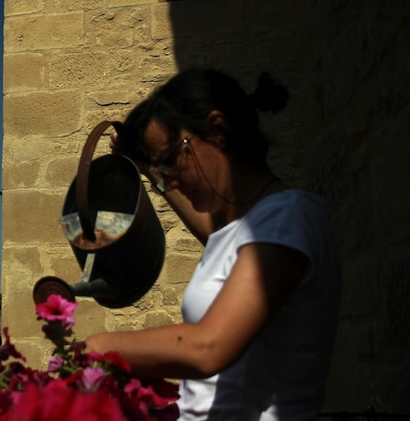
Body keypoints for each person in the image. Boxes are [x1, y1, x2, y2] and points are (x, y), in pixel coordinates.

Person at [83, 69, 341, 420]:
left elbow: (209, 347)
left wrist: (100, 346)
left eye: (171, 161)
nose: (170, 182)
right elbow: (213, 231)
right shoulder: (241, 230)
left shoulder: (287, 219)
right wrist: (148, 167)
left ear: (217, 129)